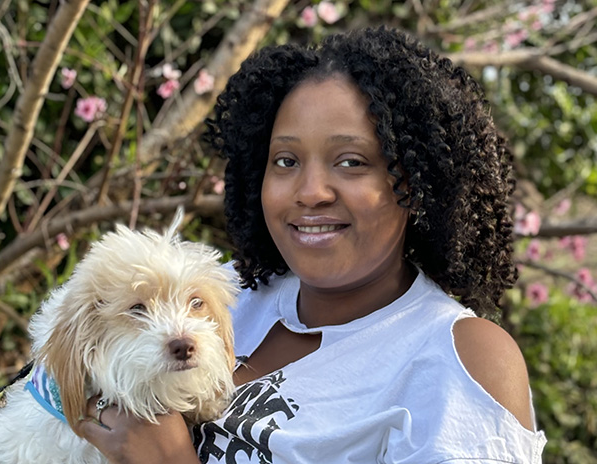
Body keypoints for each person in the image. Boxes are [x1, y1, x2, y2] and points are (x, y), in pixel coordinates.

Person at [79, 25, 547, 463]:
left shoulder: (462, 359)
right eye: (285, 160)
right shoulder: (214, 296)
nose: (310, 191)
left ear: (416, 182)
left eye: (350, 161)